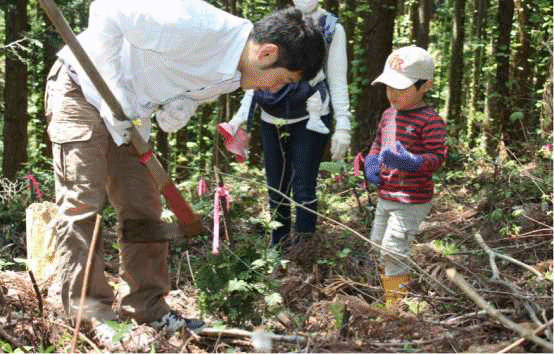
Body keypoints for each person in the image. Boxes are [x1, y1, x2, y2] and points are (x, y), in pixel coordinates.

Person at [44, 0, 325, 333]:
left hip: (131, 115)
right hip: (82, 86)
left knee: (143, 208)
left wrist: (182, 103)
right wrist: (114, 95)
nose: (276, 89)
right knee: (83, 202)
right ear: (266, 53)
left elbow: (175, 76)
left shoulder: (237, 75)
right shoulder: (196, 25)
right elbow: (106, 9)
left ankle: (147, 309)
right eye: (283, 79)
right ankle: (89, 314)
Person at [218, 0, 352, 251]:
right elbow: (257, 74)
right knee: (275, 186)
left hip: (311, 117)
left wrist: (343, 123)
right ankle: (277, 247)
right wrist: (240, 118)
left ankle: (304, 247)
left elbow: (337, 79)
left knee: (304, 186)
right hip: (272, 114)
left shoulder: (332, 28)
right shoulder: (277, 26)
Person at [363, 46, 447, 308]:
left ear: (425, 86)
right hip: (387, 194)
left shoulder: (430, 120)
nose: (393, 94)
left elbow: (436, 158)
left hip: (412, 198)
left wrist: (412, 162)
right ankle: (390, 292)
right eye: (389, 87)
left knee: (393, 248)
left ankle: (395, 306)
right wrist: (372, 163)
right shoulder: (388, 115)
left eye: (401, 88)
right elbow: (378, 144)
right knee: (377, 245)